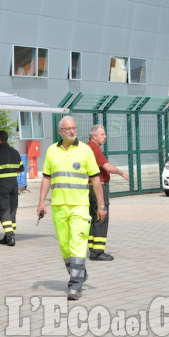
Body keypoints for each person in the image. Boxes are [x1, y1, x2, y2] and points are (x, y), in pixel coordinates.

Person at [37, 116, 106, 301]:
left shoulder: (85, 151)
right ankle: (79, 273)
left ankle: (74, 285)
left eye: (74, 128)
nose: (72, 131)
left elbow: (96, 179)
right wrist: (41, 202)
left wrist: (101, 205)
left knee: (78, 243)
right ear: (60, 131)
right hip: (59, 207)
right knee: (65, 246)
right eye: (68, 128)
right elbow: (46, 178)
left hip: (80, 207)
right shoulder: (51, 151)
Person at [86, 124, 129, 261]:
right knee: (101, 217)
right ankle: (98, 251)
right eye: (102, 134)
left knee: (93, 218)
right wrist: (122, 172)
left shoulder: (87, 148)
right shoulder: (94, 148)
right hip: (98, 186)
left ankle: (92, 248)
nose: (105, 137)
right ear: (94, 136)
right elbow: (107, 167)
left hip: (88, 187)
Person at [0, 130, 24, 246]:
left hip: (3, 185)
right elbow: (21, 169)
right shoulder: (15, 152)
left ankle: (10, 237)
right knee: (12, 210)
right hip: (14, 184)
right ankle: (8, 235)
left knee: (4, 210)